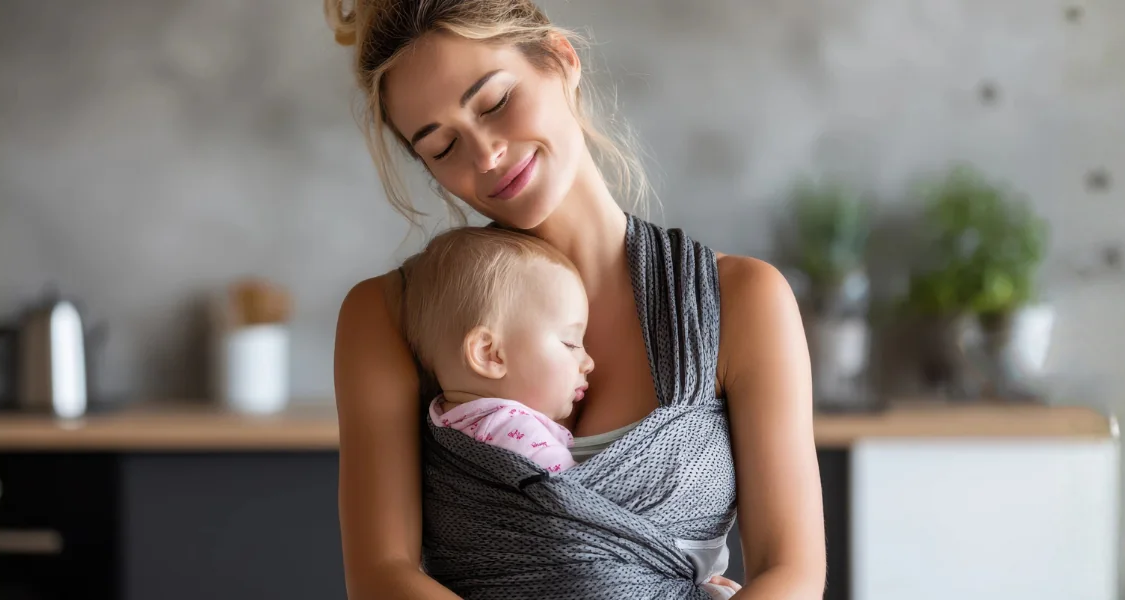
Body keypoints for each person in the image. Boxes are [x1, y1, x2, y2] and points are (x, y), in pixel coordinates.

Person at [327, 0, 826, 598]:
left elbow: (790, 572)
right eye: (441, 148)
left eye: (495, 103)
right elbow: (382, 576)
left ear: (561, 60)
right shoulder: (387, 316)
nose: (485, 155)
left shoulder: (742, 301)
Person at [403, 227, 593, 476]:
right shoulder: (517, 433)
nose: (588, 362)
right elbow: (579, 507)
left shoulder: (440, 424)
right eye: (569, 343)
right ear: (489, 354)